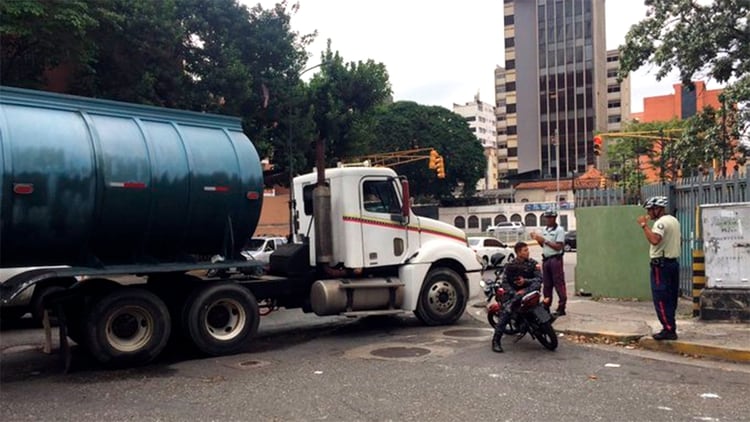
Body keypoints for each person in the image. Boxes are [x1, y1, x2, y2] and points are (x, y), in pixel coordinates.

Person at [637, 196, 681, 341]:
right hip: (673, 263)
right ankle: (670, 325)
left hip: (660, 265)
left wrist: (644, 226)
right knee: (671, 297)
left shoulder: (660, 224)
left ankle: (668, 329)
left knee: (660, 297)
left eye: (650, 209)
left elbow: (655, 240)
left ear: (658, 209)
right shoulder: (674, 220)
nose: (649, 213)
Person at [491, 262, 542, 353]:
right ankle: (496, 341)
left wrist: (525, 282)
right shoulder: (510, 266)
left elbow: (539, 279)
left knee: (541, 308)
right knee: (506, 312)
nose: (527, 252)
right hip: (514, 295)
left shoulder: (532, 263)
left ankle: (546, 323)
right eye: (525, 250)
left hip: (529, 293)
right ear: (519, 252)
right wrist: (515, 293)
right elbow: (505, 283)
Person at [530, 210, 567, 317]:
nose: (548, 219)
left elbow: (558, 247)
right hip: (546, 259)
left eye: (550, 217)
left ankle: (561, 307)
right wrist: (537, 239)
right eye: (546, 217)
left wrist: (544, 240)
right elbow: (543, 246)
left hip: (555, 259)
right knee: (547, 285)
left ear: (554, 218)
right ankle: (546, 306)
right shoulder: (545, 230)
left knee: (559, 284)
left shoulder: (559, 230)